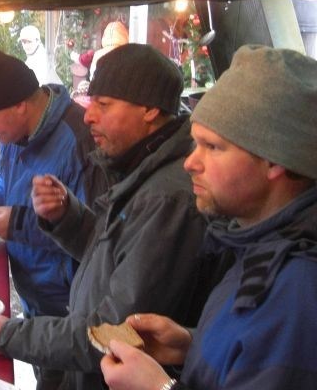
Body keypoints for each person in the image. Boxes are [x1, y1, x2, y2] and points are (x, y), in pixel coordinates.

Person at [0, 43, 214, 390]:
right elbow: (109, 252)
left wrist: (11, 335)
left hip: (100, 368)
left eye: (103, 104)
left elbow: (116, 330)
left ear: (149, 109)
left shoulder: (167, 199)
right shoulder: (138, 165)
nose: (88, 116)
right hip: (72, 341)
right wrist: (66, 216)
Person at [100, 45, 317, 390]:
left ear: (275, 160)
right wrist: (193, 345)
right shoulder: (257, 244)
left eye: (212, 147)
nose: (190, 163)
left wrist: (159, 388)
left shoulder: (298, 292)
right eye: (194, 144)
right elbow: (254, 354)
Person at [0, 43, 103, 388]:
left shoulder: (80, 140)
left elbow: (96, 234)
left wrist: (18, 225)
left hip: (70, 309)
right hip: (33, 295)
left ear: (20, 104)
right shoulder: (13, 132)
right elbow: (6, 182)